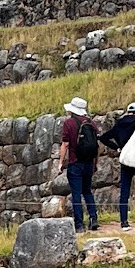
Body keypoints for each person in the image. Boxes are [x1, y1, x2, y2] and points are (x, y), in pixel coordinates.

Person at [100, 101, 135, 229]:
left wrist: (118, 147)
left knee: (124, 191)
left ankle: (124, 222)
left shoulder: (119, 123)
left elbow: (103, 138)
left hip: (126, 160)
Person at [59, 97, 100, 231]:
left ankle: (79, 224)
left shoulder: (69, 123)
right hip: (88, 162)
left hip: (75, 162)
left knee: (76, 194)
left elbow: (66, 144)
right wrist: (95, 163)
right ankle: (93, 218)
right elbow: (96, 145)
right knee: (87, 191)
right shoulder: (92, 123)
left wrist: (60, 163)